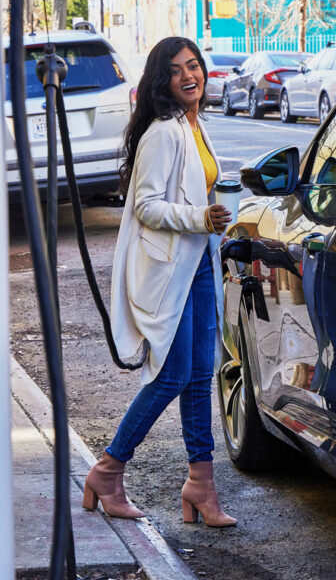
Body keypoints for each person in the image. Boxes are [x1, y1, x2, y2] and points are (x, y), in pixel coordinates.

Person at [82, 36, 237, 527]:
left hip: (198, 268)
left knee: (197, 377)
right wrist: (199, 218)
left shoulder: (196, 126)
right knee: (171, 375)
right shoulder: (164, 133)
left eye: (194, 65)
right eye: (176, 70)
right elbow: (145, 205)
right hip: (170, 272)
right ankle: (108, 469)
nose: (189, 75)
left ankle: (201, 486)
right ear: (162, 81)